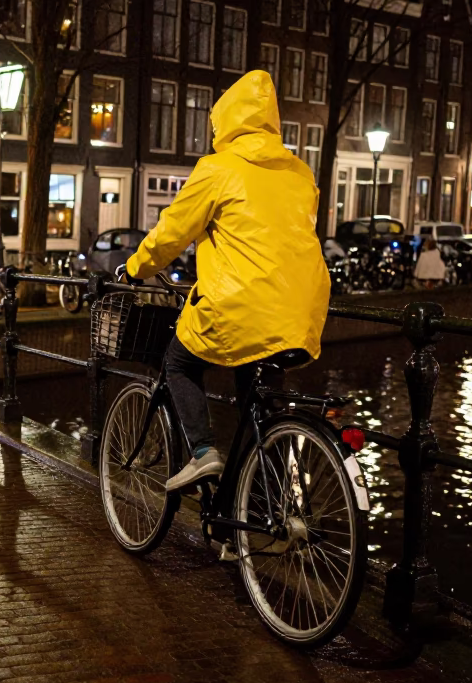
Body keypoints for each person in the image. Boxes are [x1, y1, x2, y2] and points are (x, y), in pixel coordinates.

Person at [125, 70, 330, 493]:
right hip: (301, 312)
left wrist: (134, 268)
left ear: (226, 120)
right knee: (263, 411)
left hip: (241, 305)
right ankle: (254, 516)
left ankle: (202, 453)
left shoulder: (218, 169)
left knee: (177, 363)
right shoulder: (300, 172)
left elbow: (171, 232)